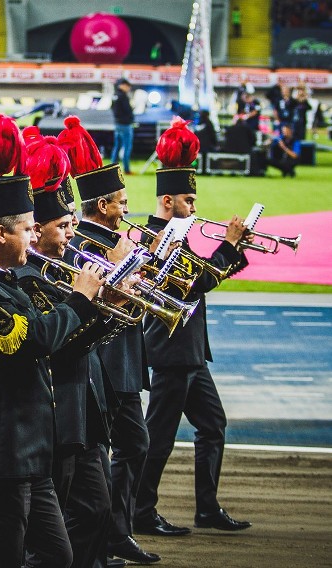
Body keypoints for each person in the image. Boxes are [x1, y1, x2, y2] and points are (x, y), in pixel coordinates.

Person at [0, 115, 105, 568]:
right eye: (28, 228)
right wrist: (82, 302)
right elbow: (31, 340)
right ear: (1, 233)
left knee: (56, 554)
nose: (35, 237)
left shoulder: (5, 281)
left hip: (27, 448)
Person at [135, 120, 252, 537]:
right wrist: (230, 247)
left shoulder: (177, 235)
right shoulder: (155, 238)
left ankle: (207, 508)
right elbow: (194, 284)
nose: (194, 208)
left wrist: (229, 251)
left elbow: (198, 276)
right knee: (158, 437)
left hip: (190, 352)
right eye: (188, 199)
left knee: (212, 425)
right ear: (168, 199)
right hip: (170, 351)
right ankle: (140, 510)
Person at [60, 116, 161, 565]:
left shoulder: (112, 238)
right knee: (101, 459)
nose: (126, 208)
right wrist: (122, 266)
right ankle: (99, 540)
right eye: (120, 202)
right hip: (103, 363)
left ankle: (113, 535)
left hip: (123, 360)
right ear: (101, 204)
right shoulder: (83, 241)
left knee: (128, 449)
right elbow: (92, 299)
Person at [14, 128, 117, 568]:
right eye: (64, 225)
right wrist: (90, 304)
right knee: (50, 536)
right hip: (54, 416)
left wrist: (108, 308)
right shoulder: (27, 278)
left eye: (73, 221)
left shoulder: (61, 265)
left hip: (83, 408)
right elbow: (54, 345)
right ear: (34, 231)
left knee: (96, 508)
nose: (72, 232)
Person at [111, 78, 135, 176]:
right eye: (128, 86)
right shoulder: (123, 96)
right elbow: (128, 110)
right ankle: (127, 169)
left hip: (117, 124)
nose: (129, 88)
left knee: (117, 147)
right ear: (123, 85)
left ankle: (112, 168)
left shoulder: (114, 96)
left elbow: (112, 108)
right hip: (125, 124)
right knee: (127, 147)